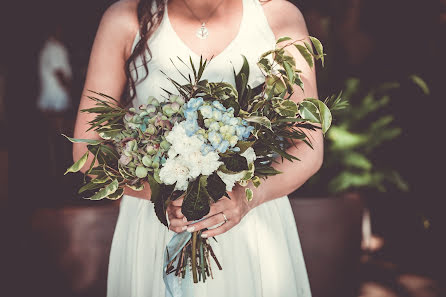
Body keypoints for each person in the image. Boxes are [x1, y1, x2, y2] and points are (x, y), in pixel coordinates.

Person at [72, 0, 323, 296]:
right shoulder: (126, 18)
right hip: (158, 224)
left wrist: (247, 198)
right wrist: (160, 197)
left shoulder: (277, 17)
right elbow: (88, 152)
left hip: (249, 223)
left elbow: (308, 146)